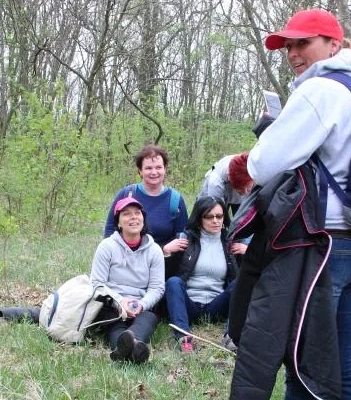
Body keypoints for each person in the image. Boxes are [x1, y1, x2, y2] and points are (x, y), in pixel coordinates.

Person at [239, 7, 351, 400]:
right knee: (347, 364)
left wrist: (272, 128)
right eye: (288, 46)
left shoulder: (320, 91)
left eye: (304, 43)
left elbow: (264, 163)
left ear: (333, 45)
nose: (293, 54)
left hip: (328, 250)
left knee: (304, 366)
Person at [90, 196, 164, 364]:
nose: (133, 217)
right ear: (118, 222)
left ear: (143, 219)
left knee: (148, 318)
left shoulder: (154, 250)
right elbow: (97, 284)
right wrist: (120, 302)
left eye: (137, 213)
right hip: (112, 305)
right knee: (114, 323)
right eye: (126, 214)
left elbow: (157, 288)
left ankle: (127, 347)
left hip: (141, 305)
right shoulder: (106, 247)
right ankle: (134, 350)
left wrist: (142, 304)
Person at [164, 195, 239, 354]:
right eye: (209, 217)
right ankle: (183, 338)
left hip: (216, 305)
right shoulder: (186, 240)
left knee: (239, 284)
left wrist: (248, 253)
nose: (215, 221)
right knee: (173, 282)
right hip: (189, 304)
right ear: (199, 219)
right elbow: (166, 275)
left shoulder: (229, 243)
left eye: (219, 216)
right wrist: (166, 252)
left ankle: (231, 336)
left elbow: (244, 277)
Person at [103, 144, 189, 278]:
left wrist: (166, 250)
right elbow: (110, 231)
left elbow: (183, 240)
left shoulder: (175, 200)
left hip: (163, 268)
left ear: (165, 169)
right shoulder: (126, 195)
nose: (154, 172)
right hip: (126, 267)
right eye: (148, 168)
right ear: (140, 171)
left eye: (158, 167)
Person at [198, 153, 254, 222]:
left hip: (238, 191)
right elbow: (216, 215)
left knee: (243, 220)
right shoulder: (215, 183)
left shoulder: (253, 168)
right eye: (240, 190)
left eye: (248, 188)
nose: (245, 192)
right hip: (219, 193)